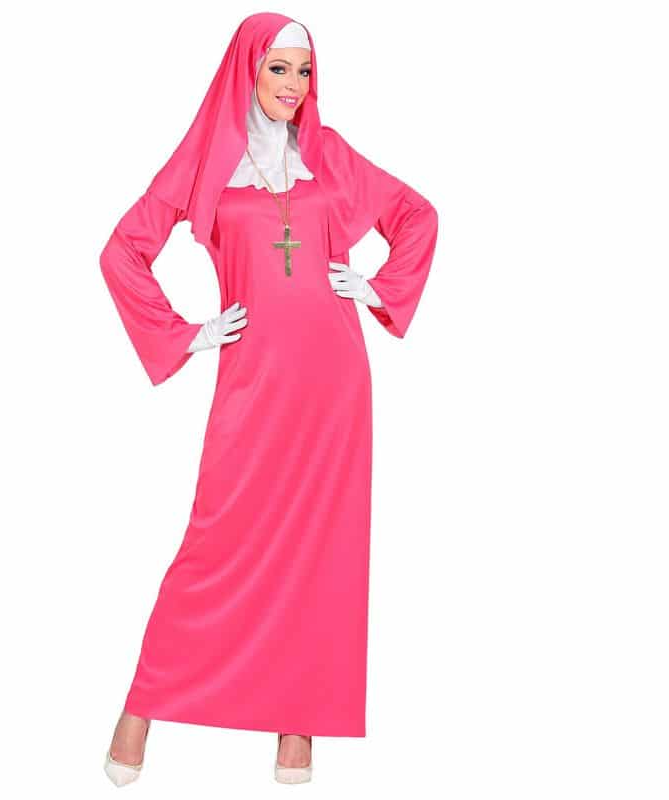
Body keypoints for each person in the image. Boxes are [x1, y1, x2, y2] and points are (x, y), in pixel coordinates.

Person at [99, 12, 438, 785]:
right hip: (253, 379)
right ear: (246, 68)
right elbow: (123, 251)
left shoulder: (327, 153)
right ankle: (141, 706)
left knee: (324, 549)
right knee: (216, 542)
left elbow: (418, 216)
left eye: (304, 71)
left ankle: (298, 725)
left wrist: (377, 287)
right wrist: (186, 333)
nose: (293, 85)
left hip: (335, 384)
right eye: (278, 68)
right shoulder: (206, 159)